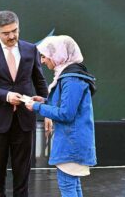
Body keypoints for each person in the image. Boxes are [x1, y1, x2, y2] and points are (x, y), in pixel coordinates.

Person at [0, 10, 50, 197]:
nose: (12, 36)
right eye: (6, 33)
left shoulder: (30, 49)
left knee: (23, 174)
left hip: (25, 120)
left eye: (15, 31)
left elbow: (40, 81)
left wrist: (47, 107)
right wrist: (6, 96)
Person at [25, 35, 97, 197]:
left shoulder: (71, 79)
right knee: (72, 184)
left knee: (67, 185)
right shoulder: (70, 77)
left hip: (71, 142)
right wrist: (44, 100)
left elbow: (66, 114)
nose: (42, 61)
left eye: (44, 56)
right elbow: (67, 105)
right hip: (72, 140)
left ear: (58, 54)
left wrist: (37, 107)